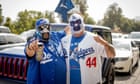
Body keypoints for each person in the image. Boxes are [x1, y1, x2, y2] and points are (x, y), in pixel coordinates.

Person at [61, 13, 115, 84]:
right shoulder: (64, 41)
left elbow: (112, 54)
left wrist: (104, 43)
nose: (76, 25)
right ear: (70, 25)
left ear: (83, 24)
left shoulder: (94, 38)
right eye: (73, 23)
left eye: (78, 22)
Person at [24, 18, 69, 84]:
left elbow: (67, 30)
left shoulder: (55, 35)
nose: (45, 30)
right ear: (37, 30)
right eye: (41, 28)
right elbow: (29, 52)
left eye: (47, 26)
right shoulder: (35, 41)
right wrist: (31, 47)